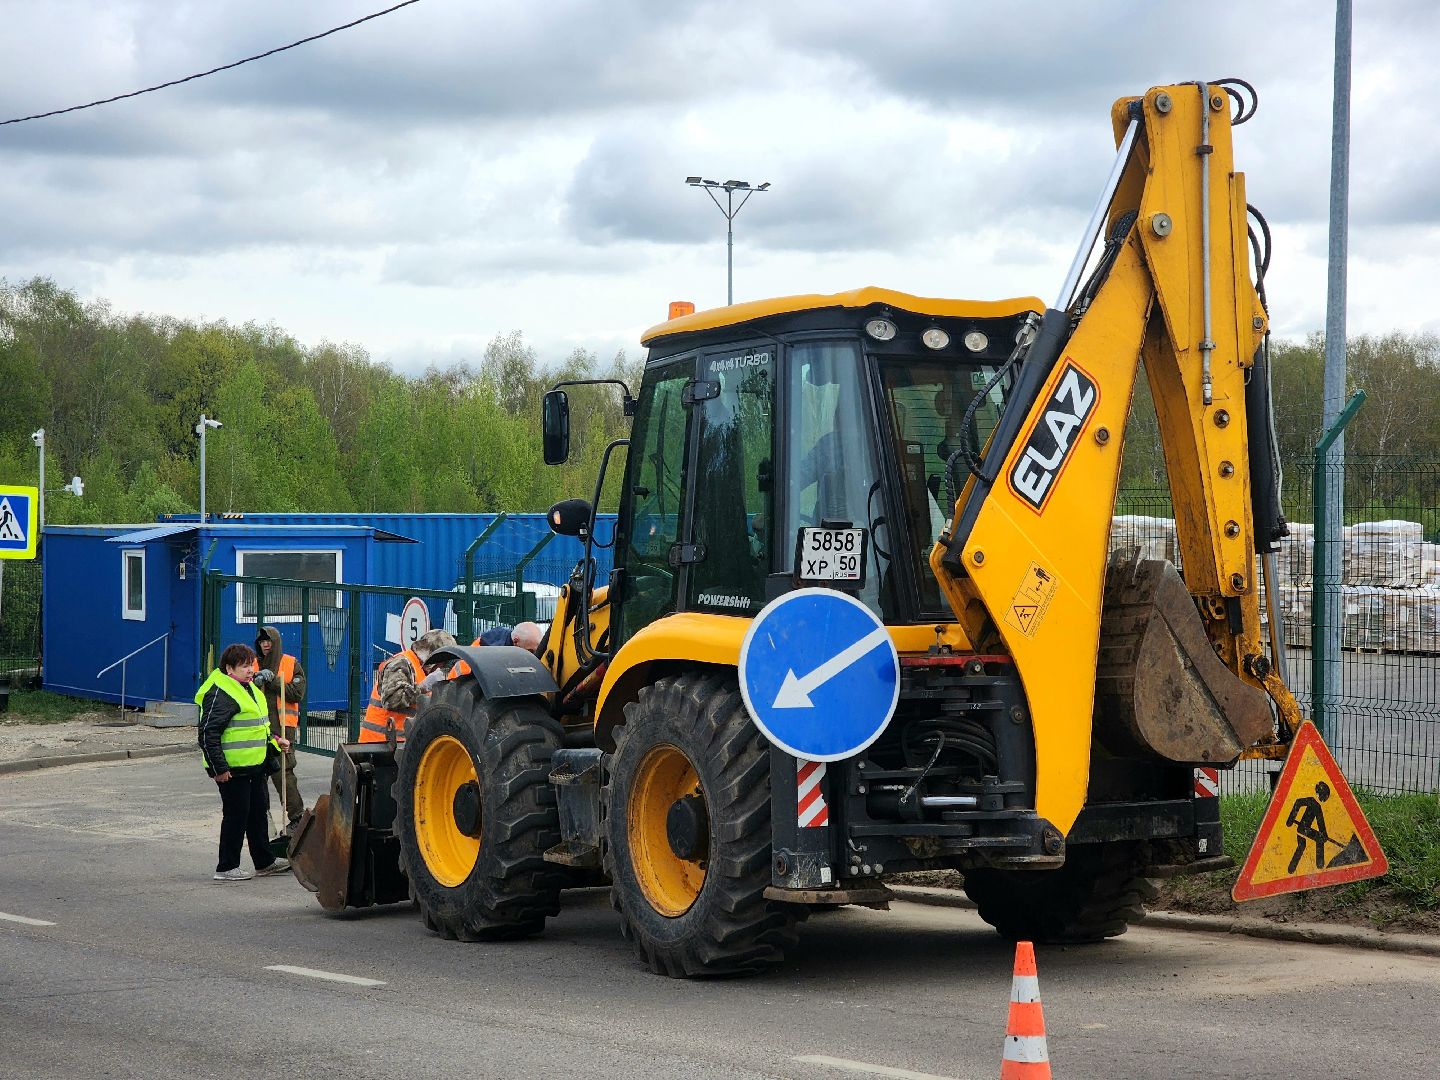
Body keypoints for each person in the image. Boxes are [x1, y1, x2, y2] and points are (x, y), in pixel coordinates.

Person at [197, 643, 290, 882]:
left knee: (258, 813)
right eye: (245, 666)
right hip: (233, 769)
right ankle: (227, 867)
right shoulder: (222, 692)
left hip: (254, 766)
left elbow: (258, 727)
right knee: (236, 816)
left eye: (252, 664)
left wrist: (277, 742)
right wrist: (219, 769)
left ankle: (265, 862)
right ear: (230, 668)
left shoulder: (247, 688)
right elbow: (208, 732)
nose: (251, 670)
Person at [251, 626, 306, 836]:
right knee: (257, 774)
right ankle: (261, 817)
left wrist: (272, 679)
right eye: (262, 641)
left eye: (268, 641)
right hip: (257, 728)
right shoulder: (252, 664)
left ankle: (297, 817)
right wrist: (255, 681)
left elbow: (296, 693)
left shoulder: (290, 663)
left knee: (282, 772)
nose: (265, 644)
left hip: (283, 728)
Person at [359, 629, 456, 743]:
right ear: (431, 655)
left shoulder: (422, 670)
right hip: (377, 745)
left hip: (397, 746)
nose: (442, 665)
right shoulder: (401, 663)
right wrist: (423, 688)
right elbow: (392, 700)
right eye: (442, 661)